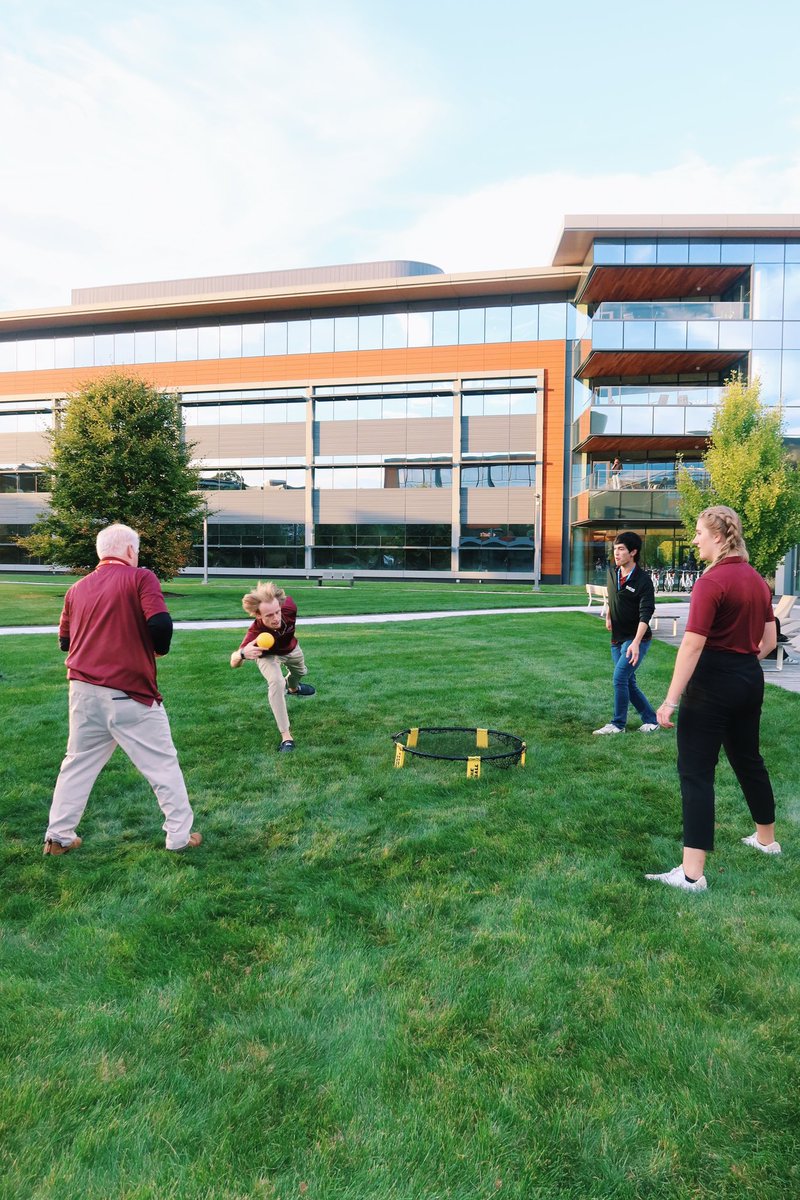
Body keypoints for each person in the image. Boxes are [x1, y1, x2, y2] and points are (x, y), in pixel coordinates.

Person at [43, 523, 200, 855]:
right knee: (162, 764)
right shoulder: (141, 577)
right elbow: (160, 623)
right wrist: (158, 648)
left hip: (82, 691)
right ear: (130, 551)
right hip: (129, 693)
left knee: (77, 763)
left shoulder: (76, 589)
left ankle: (58, 836)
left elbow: (64, 642)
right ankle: (179, 836)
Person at [646, 506, 780, 893]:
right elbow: (768, 643)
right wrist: (739, 664)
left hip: (712, 685)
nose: (694, 540)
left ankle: (691, 875)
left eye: (699, 533)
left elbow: (691, 644)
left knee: (696, 772)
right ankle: (766, 840)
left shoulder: (711, 581)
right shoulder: (758, 580)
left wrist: (670, 702)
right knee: (748, 759)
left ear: (719, 537)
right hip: (748, 679)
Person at [231, 581, 315, 752]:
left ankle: (293, 689)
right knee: (277, 682)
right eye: (269, 615)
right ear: (258, 615)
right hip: (267, 655)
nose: (276, 618)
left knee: (301, 671)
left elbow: (283, 607)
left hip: (291, 648)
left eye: (277, 612)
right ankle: (286, 737)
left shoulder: (289, 607)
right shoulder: (255, 633)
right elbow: (233, 662)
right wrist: (241, 654)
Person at [593, 531, 659, 736]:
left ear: (633, 552)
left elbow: (646, 613)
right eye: (615, 549)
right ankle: (651, 720)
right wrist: (609, 616)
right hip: (617, 638)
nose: (617, 553)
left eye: (621, 549)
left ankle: (617, 724)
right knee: (628, 681)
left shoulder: (643, 580)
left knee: (620, 678)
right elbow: (612, 597)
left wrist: (636, 643)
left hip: (636, 639)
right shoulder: (613, 573)